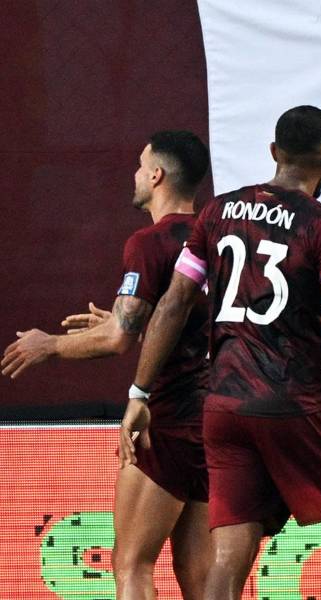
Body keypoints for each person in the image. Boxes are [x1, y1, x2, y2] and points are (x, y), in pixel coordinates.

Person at [123, 105, 321, 600]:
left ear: (274, 153)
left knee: (230, 555)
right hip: (296, 402)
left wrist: (139, 392)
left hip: (223, 407)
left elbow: (175, 302)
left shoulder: (218, 211)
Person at [1, 130, 212, 600]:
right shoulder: (216, 240)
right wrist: (126, 320)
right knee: (201, 576)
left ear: (156, 175)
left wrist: (48, 344)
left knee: (131, 564)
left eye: (141, 165)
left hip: (167, 419)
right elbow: (176, 322)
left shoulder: (149, 242)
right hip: (216, 422)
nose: (136, 174)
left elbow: (120, 337)